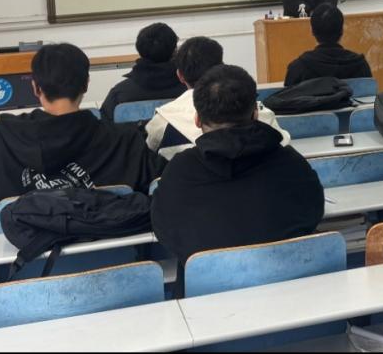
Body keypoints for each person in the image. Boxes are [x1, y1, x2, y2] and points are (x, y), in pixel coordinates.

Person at [0, 43, 165, 233]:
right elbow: (164, 184)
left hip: (26, 261)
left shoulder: (6, 138)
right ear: (86, 84)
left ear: (35, 87)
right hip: (116, 261)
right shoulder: (124, 142)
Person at [150, 65, 324, 265]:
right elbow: (313, 212)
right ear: (255, 114)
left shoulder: (179, 171)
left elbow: (165, 231)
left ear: (197, 119)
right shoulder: (291, 163)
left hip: (208, 282)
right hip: (290, 277)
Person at [145, 36, 289, 158]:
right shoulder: (257, 111)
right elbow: (283, 143)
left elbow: (151, 149)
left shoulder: (163, 120)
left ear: (180, 76)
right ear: (221, 66)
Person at [100, 22, 186, 121]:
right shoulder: (190, 92)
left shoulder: (119, 94)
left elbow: (104, 126)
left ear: (140, 50)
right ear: (174, 51)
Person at [284, 4, 372, 86]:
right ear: (342, 30)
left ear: (312, 31)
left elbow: (287, 96)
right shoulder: (360, 65)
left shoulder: (298, 68)